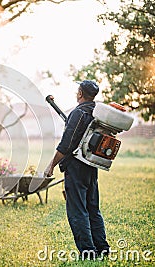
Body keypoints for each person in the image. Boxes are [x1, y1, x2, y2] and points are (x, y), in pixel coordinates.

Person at [44, 80, 110, 259]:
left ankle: (88, 253)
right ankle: (102, 249)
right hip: (91, 166)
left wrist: (51, 165)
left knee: (78, 211)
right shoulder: (97, 113)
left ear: (80, 93)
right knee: (93, 209)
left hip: (76, 168)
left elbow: (66, 145)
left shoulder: (78, 112)